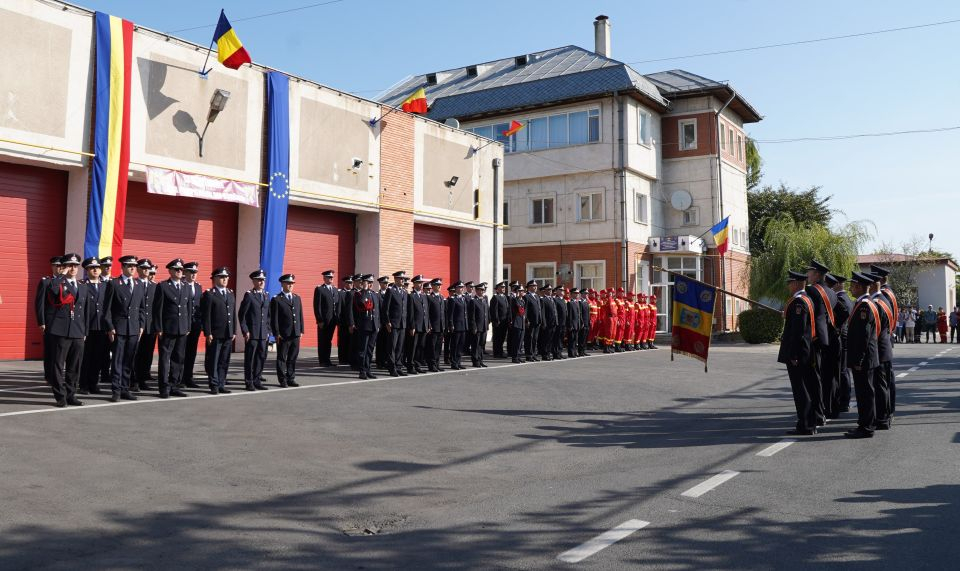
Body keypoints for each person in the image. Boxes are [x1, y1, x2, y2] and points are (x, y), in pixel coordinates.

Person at [42, 253, 89, 407]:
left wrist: (85, 331)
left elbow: (86, 312)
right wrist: (61, 275)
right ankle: (60, 396)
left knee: (74, 366)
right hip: (61, 330)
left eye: (75, 266)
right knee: (57, 365)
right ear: (64, 267)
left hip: (78, 331)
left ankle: (71, 394)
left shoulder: (82, 286)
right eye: (70, 265)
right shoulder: (57, 283)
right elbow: (53, 291)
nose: (73, 268)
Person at [778, 270, 819, 435]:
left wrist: (793, 354)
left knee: (801, 390)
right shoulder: (807, 299)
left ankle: (806, 424)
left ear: (796, 283)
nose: (789, 286)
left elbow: (798, 331)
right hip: (806, 351)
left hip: (799, 353)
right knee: (806, 387)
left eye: (790, 283)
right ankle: (809, 422)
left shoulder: (799, 303)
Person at [103, 255, 145, 402]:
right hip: (119, 328)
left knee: (129, 360)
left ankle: (125, 388)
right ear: (122, 267)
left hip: (133, 328)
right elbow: (106, 308)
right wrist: (110, 327)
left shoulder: (139, 285)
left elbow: (141, 308)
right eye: (129, 265)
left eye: (134, 266)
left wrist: (141, 325)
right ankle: (116, 390)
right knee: (117, 360)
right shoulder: (114, 283)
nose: (132, 268)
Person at [844, 272, 881, 439]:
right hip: (866, 357)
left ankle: (867, 427)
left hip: (864, 358)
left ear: (859, 287)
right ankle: (863, 424)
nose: (850, 288)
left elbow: (863, 336)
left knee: (865, 393)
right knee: (863, 393)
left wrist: (858, 359)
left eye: (852, 285)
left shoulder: (864, 306)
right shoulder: (864, 303)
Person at [153, 258, 191, 398]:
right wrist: (159, 327)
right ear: (170, 271)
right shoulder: (163, 286)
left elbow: (188, 307)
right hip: (168, 329)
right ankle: (164, 387)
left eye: (181, 270)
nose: (180, 272)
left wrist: (188, 326)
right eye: (177, 269)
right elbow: (157, 309)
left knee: (179, 358)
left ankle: (174, 385)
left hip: (182, 328)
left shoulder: (186, 286)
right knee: (165, 359)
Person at [805, 260, 837, 426]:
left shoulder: (812, 290)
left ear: (817, 274)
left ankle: (817, 414)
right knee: (823, 377)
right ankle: (823, 410)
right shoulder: (831, 292)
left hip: (814, 338)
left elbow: (807, 314)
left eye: (809, 272)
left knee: (813, 379)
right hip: (826, 339)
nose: (807, 275)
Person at [202, 267, 237, 394]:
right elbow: (206, 316)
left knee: (224, 360)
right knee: (214, 360)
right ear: (215, 278)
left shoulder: (230, 293)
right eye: (222, 277)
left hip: (228, 333)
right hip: (215, 333)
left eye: (227, 277)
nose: (225, 279)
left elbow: (233, 314)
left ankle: (222, 383)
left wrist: (234, 331)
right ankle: (214, 384)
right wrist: (208, 332)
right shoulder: (210, 294)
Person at [79, 257, 110, 395]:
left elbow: (109, 307)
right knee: (86, 357)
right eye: (92, 268)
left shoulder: (106, 285)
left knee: (98, 357)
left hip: (101, 327)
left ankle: (93, 383)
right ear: (86, 270)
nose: (96, 270)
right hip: (87, 326)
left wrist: (109, 326)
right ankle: (83, 384)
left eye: (98, 267)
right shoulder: (82, 285)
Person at [239, 269, 271, 391]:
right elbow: (242, 315)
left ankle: (257, 380)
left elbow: (268, 315)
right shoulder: (249, 295)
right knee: (250, 359)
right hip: (252, 333)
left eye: (263, 280)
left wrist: (268, 330)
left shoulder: (266, 295)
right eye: (259, 280)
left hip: (263, 333)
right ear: (253, 281)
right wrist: (245, 330)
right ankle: (249, 382)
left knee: (261, 358)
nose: (261, 282)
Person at [269, 273, 303, 388]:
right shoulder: (277, 299)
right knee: (282, 358)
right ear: (282, 284)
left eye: (292, 283)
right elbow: (274, 319)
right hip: (284, 334)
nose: (290, 285)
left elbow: (300, 315)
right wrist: (276, 333)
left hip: (295, 333)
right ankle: (282, 379)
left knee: (293, 357)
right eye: (288, 283)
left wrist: (301, 330)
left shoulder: (297, 298)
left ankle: (291, 377)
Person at [35, 255, 63, 386]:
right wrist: (41, 321)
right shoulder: (46, 281)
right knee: (50, 350)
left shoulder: (69, 281)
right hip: (51, 320)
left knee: (61, 350)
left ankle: (59, 375)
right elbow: (39, 303)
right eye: (56, 265)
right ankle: (49, 376)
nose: (59, 268)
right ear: (52, 267)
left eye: (61, 265)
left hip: (65, 321)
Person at [829, 274, 854, 415]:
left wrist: (836, 328)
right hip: (844, 337)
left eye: (832, 284)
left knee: (842, 371)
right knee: (843, 371)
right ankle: (844, 400)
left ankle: (843, 401)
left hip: (842, 337)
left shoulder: (840, 298)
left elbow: (843, 315)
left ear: (838, 284)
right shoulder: (846, 298)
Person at [348, 274, 380, 380]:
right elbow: (361, 304)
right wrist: (365, 290)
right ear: (364, 283)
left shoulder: (374, 294)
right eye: (368, 282)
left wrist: (378, 324)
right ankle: (362, 371)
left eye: (371, 282)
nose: (370, 284)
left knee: (370, 350)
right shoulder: (359, 294)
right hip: (364, 326)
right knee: (363, 349)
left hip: (373, 326)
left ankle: (368, 369)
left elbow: (377, 311)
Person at [133, 259, 158, 391]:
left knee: (147, 354)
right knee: (135, 354)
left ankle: (143, 378)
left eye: (147, 268)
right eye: (143, 268)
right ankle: (134, 380)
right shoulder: (134, 283)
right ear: (138, 269)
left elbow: (158, 307)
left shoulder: (154, 286)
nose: (146, 271)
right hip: (136, 325)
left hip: (150, 326)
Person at [181, 262, 203, 388]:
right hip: (184, 324)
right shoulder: (182, 286)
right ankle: (180, 378)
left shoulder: (198, 287)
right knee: (181, 352)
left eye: (195, 272)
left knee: (192, 352)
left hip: (195, 324)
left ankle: (188, 377)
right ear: (185, 273)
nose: (193, 275)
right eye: (191, 272)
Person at [313, 269, 339, 368]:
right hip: (323, 320)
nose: (331, 279)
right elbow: (317, 306)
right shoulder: (320, 289)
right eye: (329, 277)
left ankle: (327, 360)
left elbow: (337, 305)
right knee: (322, 340)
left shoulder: (335, 289)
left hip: (333, 320)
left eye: (332, 277)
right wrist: (319, 320)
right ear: (324, 278)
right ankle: (322, 360)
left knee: (329, 340)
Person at [405, 275, 429, 374]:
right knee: (413, 347)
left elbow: (426, 312)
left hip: (423, 325)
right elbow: (410, 313)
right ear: (414, 284)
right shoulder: (411, 296)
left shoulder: (423, 296)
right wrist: (412, 326)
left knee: (420, 346)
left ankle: (417, 364)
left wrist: (428, 324)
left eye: (421, 282)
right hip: (415, 326)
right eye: (419, 282)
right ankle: (410, 366)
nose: (421, 284)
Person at [445, 281, 468, 370]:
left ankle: (458, 362)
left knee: (461, 345)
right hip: (456, 325)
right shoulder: (452, 299)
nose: (462, 289)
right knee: (455, 345)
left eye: (462, 287)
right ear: (456, 289)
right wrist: (451, 324)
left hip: (463, 325)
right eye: (460, 287)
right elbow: (450, 314)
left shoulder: (463, 298)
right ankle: (454, 362)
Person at [424, 279, 445, 372]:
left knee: (438, 347)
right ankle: (431, 365)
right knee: (431, 347)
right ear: (432, 286)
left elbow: (443, 313)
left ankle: (437, 363)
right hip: (433, 326)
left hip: (440, 326)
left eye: (440, 285)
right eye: (437, 285)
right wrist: (428, 325)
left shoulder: (441, 297)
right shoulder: (429, 297)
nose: (439, 286)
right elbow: (427, 313)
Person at [469, 282, 490, 368]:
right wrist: (474, 327)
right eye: (480, 290)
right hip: (477, 327)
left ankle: (480, 360)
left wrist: (487, 324)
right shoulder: (473, 301)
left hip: (484, 326)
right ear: (476, 290)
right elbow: (472, 315)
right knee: (475, 344)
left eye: (483, 290)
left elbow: (486, 314)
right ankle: (475, 360)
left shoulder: (484, 300)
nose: (482, 291)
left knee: (481, 344)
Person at [337, 275, 355, 367]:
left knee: (350, 341)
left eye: (351, 283)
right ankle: (342, 359)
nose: (350, 284)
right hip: (343, 321)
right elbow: (339, 308)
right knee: (343, 341)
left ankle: (349, 358)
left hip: (351, 321)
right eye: (348, 283)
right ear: (344, 283)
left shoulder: (354, 292)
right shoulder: (340, 293)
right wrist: (339, 321)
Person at [508, 282, 526, 363]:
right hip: (516, 322)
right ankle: (514, 357)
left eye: (522, 290)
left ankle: (518, 356)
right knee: (516, 341)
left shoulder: (522, 301)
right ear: (517, 291)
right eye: (520, 290)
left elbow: (523, 312)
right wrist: (518, 296)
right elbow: (518, 310)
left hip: (522, 323)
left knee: (520, 341)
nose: (522, 292)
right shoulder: (514, 300)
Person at [489, 282, 509, 358]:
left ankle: (500, 351)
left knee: (502, 338)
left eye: (504, 287)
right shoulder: (495, 297)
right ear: (497, 289)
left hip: (504, 321)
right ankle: (496, 353)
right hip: (498, 322)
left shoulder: (504, 297)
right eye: (502, 287)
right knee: (497, 338)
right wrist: (496, 320)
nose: (504, 288)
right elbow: (494, 311)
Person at [523, 280, 542, 361]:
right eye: (533, 286)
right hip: (530, 321)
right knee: (529, 338)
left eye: (536, 285)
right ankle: (529, 355)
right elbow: (525, 310)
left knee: (535, 338)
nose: (535, 287)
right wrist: (526, 320)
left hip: (537, 320)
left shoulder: (537, 296)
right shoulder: (526, 296)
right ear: (529, 287)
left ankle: (533, 354)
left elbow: (539, 309)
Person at [566, 288, 582, 358]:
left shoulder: (577, 302)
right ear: (572, 294)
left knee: (575, 339)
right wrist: (570, 325)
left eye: (578, 293)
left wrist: (581, 322)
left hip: (577, 324)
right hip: (572, 324)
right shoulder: (570, 303)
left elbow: (579, 314)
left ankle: (575, 352)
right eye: (575, 293)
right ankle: (571, 353)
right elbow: (569, 315)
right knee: (571, 340)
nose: (577, 295)